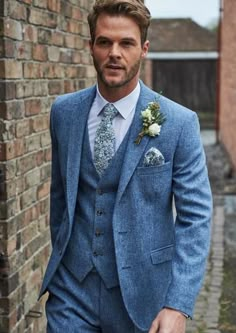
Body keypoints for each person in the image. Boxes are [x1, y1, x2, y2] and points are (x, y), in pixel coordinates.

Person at [39, 1, 212, 332]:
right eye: (104, 42)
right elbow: (60, 198)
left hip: (143, 296)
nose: (114, 53)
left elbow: (195, 218)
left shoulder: (178, 123)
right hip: (71, 292)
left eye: (126, 43)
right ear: (91, 46)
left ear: (144, 49)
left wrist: (178, 303)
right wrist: (68, 261)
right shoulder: (64, 112)